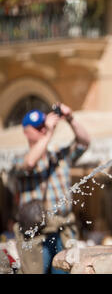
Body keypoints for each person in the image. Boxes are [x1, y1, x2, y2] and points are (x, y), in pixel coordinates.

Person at [9, 103, 90, 273]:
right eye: (38, 128)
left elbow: (84, 142)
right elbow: (30, 163)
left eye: (43, 127)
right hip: (35, 233)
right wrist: (50, 133)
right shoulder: (18, 159)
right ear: (26, 132)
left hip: (64, 228)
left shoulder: (59, 156)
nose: (43, 130)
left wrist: (70, 118)